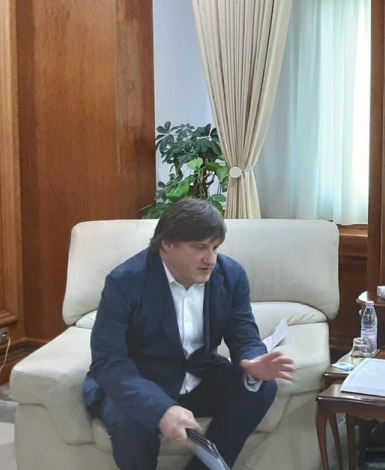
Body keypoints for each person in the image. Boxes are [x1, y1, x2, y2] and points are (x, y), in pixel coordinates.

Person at [82, 198, 295, 470]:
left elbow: (244, 336)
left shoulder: (231, 276)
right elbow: (108, 361)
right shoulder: (125, 282)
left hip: (199, 374)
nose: (210, 259)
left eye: (215, 248)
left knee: (260, 387)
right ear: (167, 244)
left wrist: (254, 362)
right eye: (200, 248)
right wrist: (161, 409)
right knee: (129, 421)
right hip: (141, 380)